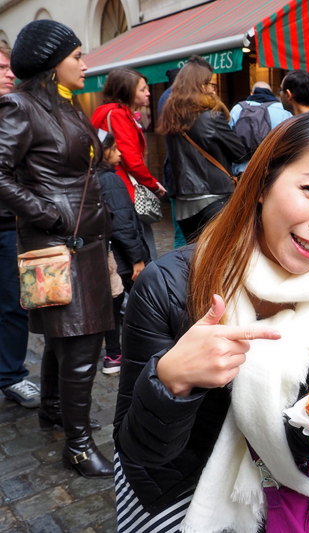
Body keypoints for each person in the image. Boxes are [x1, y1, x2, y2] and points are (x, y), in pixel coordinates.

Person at [113, 113, 309, 532]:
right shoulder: (168, 287)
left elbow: (299, 435)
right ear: (263, 183)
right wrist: (171, 382)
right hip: (181, 497)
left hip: (287, 500)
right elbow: (139, 453)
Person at [0, 20, 115, 477]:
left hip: (82, 240)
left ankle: (53, 408)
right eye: (77, 56)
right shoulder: (20, 105)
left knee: (62, 337)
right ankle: (79, 446)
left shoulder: (62, 103)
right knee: (81, 343)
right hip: (60, 243)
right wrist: (47, 214)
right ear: (51, 64)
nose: (85, 64)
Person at [159, 59, 246, 242]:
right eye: (211, 84)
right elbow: (239, 153)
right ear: (201, 85)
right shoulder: (210, 117)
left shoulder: (171, 117)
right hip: (213, 197)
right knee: (223, 253)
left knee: (195, 253)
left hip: (183, 204)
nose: (214, 89)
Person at [91, 68, 167, 262]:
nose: (148, 93)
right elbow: (132, 159)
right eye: (142, 90)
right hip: (123, 187)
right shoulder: (118, 115)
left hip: (110, 184)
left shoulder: (104, 112)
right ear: (126, 92)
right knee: (140, 244)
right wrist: (153, 184)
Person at [0, 40, 40, 409]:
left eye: (9, 67)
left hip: (9, 225)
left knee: (15, 304)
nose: (9, 74)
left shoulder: (16, 110)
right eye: (1, 68)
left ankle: (11, 375)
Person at [96, 133, 150, 375]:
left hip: (105, 255)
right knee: (138, 303)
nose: (119, 153)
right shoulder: (110, 180)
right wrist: (137, 259)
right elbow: (122, 224)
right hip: (121, 258)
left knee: (111, 305)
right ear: (103, 151)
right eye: (114, 148)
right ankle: (132, 352)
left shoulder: (90, 177)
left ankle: (112, 355)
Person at [228, 81, 292, 175]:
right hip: (272, 171)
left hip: (243, 171)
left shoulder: (238, 108)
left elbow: (228, 139)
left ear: (252, 93)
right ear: (271, 92)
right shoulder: (282, 109)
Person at [159, 66, 187, 249]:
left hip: (172, 171)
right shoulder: (176, 97)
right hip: (181, 174)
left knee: (179, 227)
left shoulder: (164, 97)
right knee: (182, 230)